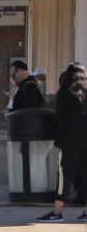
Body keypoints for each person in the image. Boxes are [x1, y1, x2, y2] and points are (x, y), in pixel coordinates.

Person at [38, 63, 87, 221]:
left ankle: (57, 212)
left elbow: (59, 117)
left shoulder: (65, 93)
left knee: (64, 175)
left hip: (69, 140)